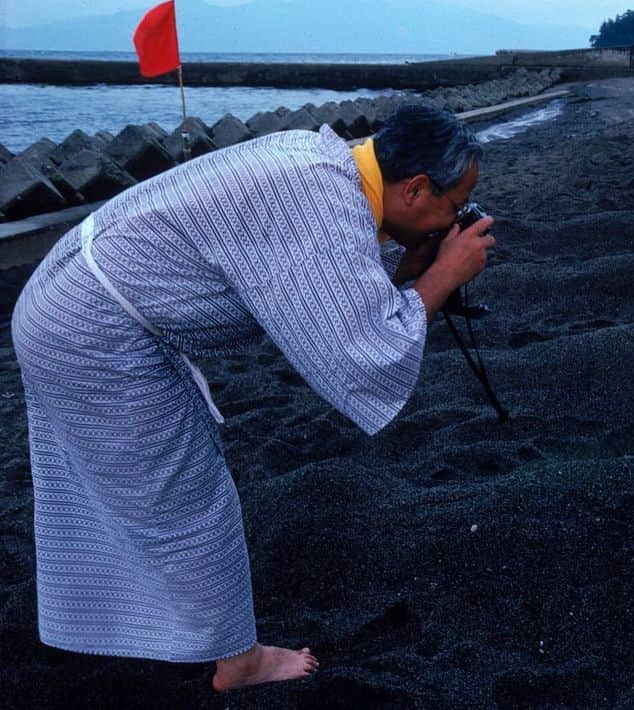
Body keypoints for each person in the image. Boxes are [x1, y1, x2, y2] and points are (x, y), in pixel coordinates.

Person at [11, 104, 495, 691]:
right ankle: (237, 663)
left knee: (127, 487)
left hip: (65, 297)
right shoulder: (321, 205)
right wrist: (441, 277)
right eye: (452, 204)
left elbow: (323, 291)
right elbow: (362, 351)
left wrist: (416, 266)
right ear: (416, 189)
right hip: (91, 329)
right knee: (184, 494)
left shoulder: (324, 166)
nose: (455, 218)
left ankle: (127, 625)